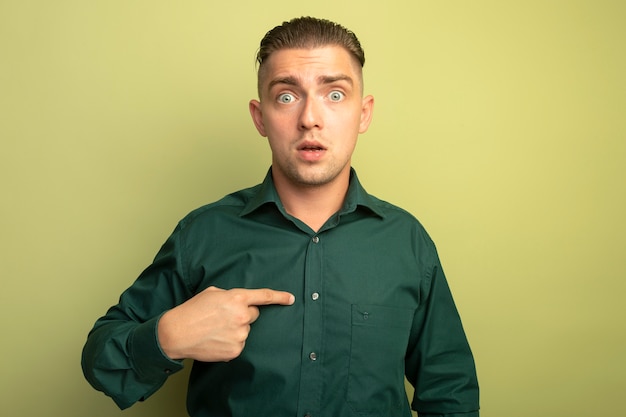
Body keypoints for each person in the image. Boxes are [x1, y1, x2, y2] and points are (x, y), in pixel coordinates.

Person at [81, 16, 479, 417]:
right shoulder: (203, 233)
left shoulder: (406, 242)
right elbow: (100, 360)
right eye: (287, 96)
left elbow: (450, 390)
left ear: (363, 113)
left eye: (335, 95)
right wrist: (166, 338)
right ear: (260, 117)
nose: (310, 118)